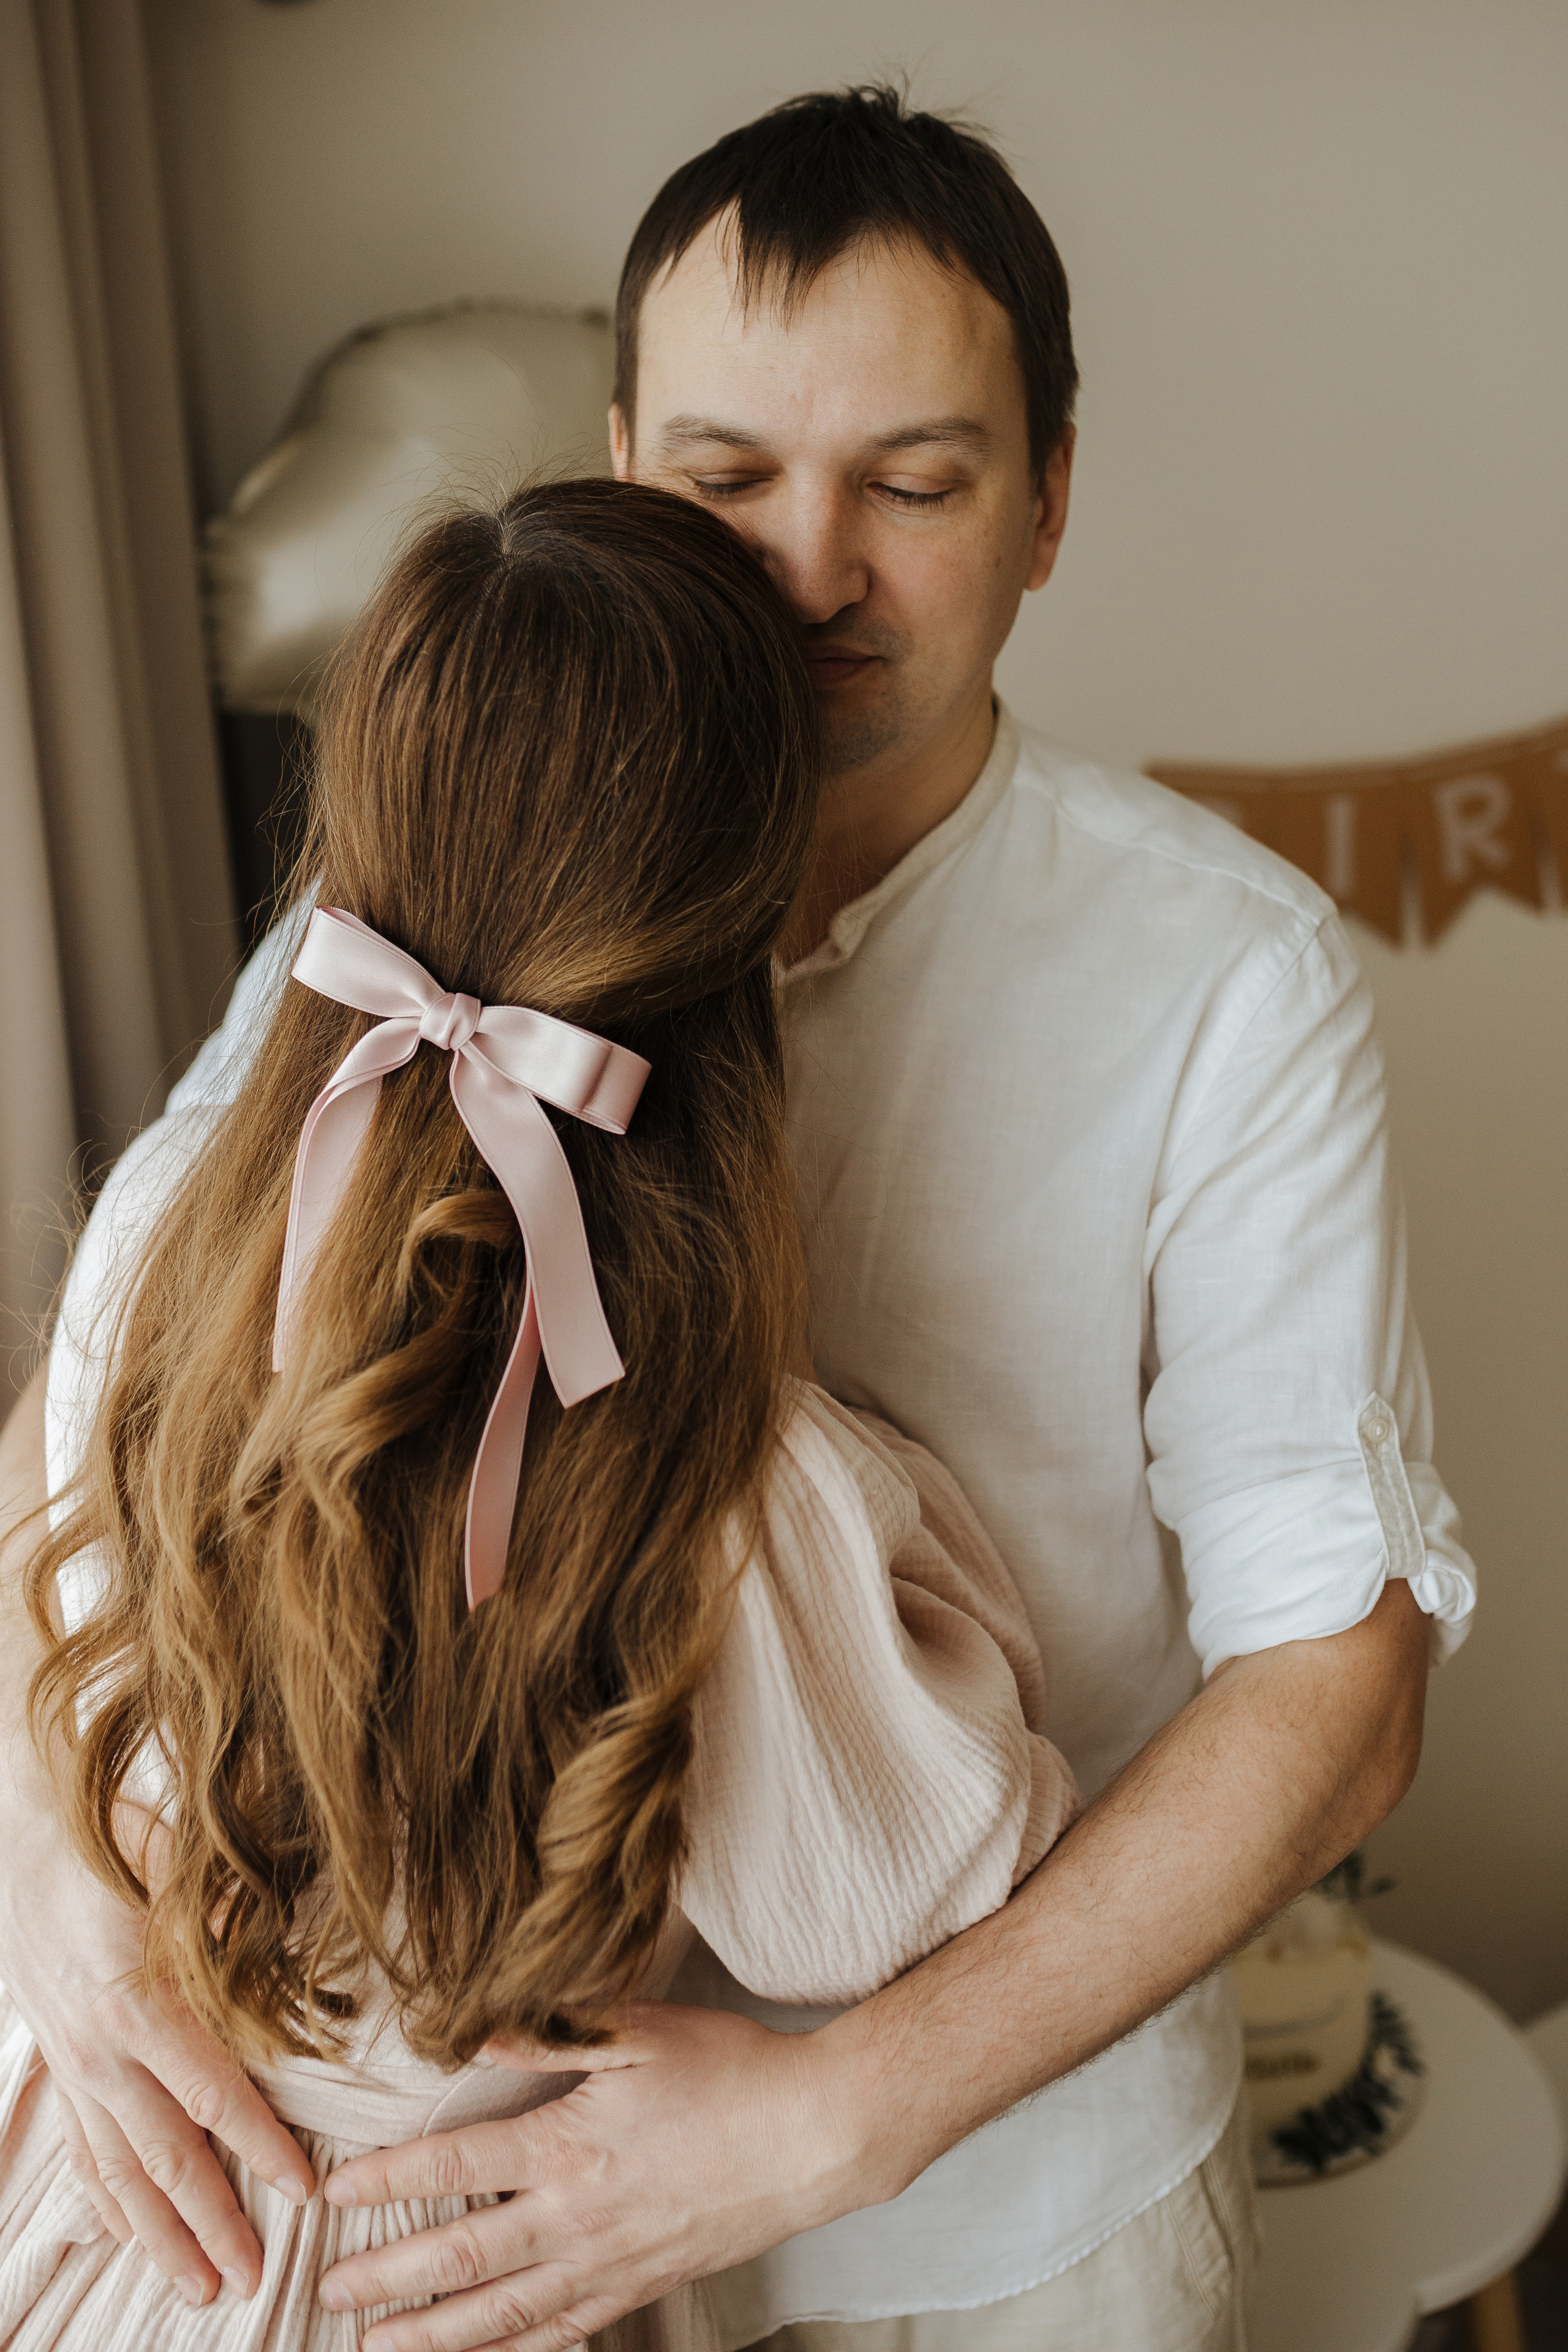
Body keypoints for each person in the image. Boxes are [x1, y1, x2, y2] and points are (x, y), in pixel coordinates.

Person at [0, 85, 1476, 2352]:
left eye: (915, 482)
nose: (808, 572)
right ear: (613, 464)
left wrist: (837, 2113)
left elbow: (1338, 1681)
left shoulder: (1226, 987)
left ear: (1051, 502)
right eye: (722, 480)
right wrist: (67, 1898)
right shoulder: (421, 918)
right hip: (463, 2242)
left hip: (988, 2226)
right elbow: (114, 1392)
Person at [0, 478, 1079, 2350]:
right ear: (751, 926)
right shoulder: (726, 1479)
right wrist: (890, 1502)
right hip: (394, 2292)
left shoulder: (160, 1229)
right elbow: (898, 1884)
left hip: (68, 2193)